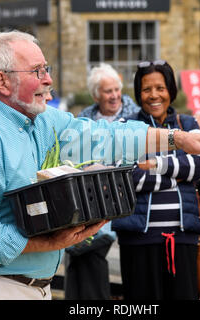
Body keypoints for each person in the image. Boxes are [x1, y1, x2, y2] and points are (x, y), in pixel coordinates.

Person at [0, 31, 200, 300]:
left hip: (29, 286)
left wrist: (176, 138)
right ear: (3, 81)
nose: (48, 80)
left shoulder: (40, 120)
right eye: (37, 71)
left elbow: (103, 136)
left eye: (47, 69)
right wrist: (50, 241)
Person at [111, 60, 200, 300]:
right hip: (138, 241)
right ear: (138, 93)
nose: (154, 95)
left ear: (171, 91)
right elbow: (123, 176)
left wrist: (158, 164)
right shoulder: (126, 127)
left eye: (160, 88)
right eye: (146, 89)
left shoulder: (187, 124)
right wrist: (175, 178)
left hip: (184, 238)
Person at [64, 65, 132, 299]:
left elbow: (140, 160)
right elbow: (70, 157)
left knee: (87, 250)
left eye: (116, 90)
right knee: (79, 253)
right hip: (88, 199)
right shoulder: (84, 119)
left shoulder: (135, 117)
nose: (114, 96)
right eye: (107, 91)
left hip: (120, 200)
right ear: (95, 95)